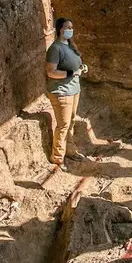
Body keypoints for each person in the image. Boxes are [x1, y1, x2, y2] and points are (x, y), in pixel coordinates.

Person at [45, 18, 88, 168]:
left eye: (71, 27)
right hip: (61, 92)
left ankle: (70, 150)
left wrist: (81, 68)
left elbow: (74, 66)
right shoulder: (55, 49)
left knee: (71, 122)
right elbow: (51, 72)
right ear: (59, 30)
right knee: (63, 125)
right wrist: (71, 73)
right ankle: (57, 157)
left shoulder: (70, 46)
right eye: (66, 27)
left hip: (74, 90)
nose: (70, 30)